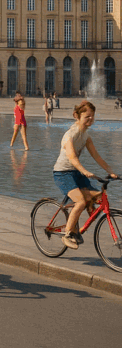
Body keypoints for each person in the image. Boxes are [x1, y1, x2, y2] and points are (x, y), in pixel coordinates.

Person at [52, 100, 117, 248]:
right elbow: (73, 158)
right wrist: (85, 171)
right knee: (81, 201)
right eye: (87, 116)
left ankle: (77, 223)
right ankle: (68, 233)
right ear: (77, 116)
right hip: (62, 173)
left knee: (98, 197)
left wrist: (111, 172)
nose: (91, 119)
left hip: (75, 172)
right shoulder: (71, 135)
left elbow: (97, 156)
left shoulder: (86, 136)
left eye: (92, 116)